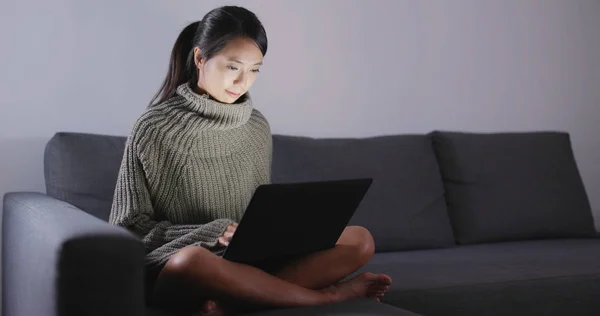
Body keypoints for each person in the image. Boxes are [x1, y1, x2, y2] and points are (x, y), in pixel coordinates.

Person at [109, 5, 392, 316]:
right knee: (193, 260)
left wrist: (277, 232)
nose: (243, 81)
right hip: (184, 266)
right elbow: (128, 229)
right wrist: (211, 232)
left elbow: (256, 213)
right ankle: (326, 297)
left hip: (247, 261)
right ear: (200, 57)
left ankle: (227, 306)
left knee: (359, 239)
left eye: (254, 70)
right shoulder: (152, 128)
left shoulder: (256, 126)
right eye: (233, 67)